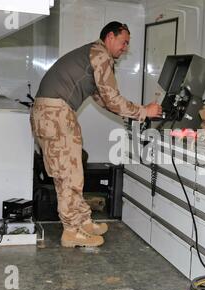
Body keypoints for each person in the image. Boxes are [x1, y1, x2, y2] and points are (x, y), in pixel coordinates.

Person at [30, 21, 162, 248]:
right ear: (110, 37)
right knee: (68, 174)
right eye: (124, 42)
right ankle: (72, 231)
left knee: (73, 171)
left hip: (52, 113)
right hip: (55, 113)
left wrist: (130, 114)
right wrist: (143, 111)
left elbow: (102, 98)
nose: (125, 48)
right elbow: (112, 98)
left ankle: (83, 222)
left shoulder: (91, 54)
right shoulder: (100, 55)